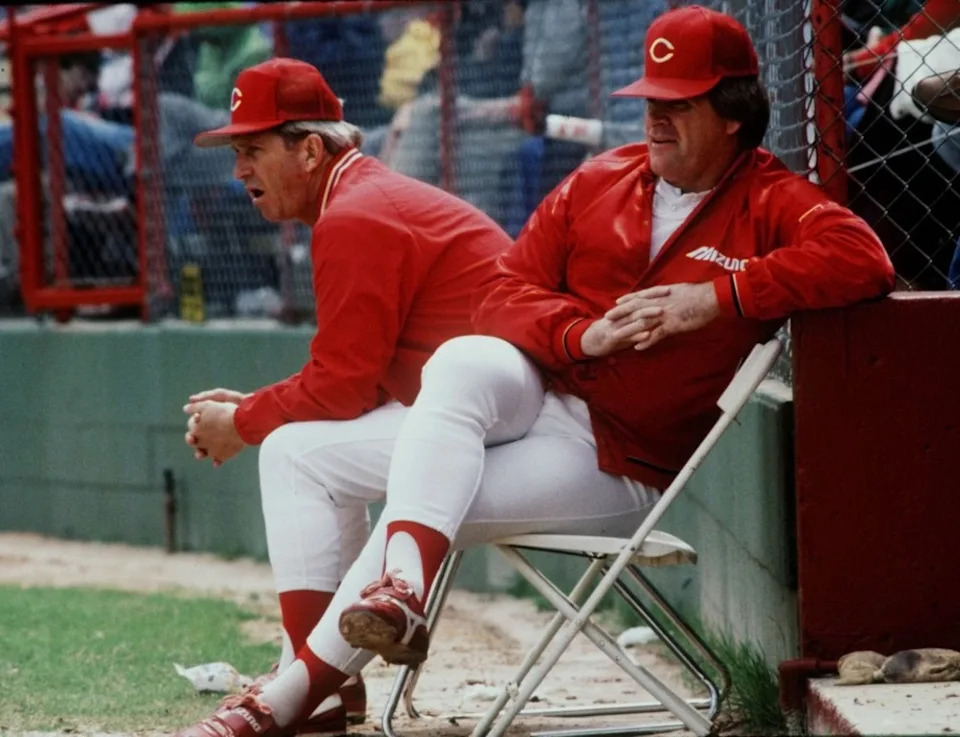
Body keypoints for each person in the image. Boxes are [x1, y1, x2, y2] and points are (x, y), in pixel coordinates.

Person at [174, 8, 896, 737]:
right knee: (370, 410)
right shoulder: (601, 181)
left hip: (614, 459)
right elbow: (499, 295)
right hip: (541, 391)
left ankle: (292, 693)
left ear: (734, 113)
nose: (654, 121)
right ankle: (398, 595)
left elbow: (862, 260)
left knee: (424, 495)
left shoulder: (771, 200)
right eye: (649, 103)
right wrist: (583, 333)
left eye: (677, 105)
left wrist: (717, 297)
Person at [177, 57, 511, 736]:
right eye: (235, 151)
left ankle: (314, 686)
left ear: (309, 149)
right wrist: (254, 411)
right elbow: (349, 382)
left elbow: (342, 385)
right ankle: (327, 678)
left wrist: (243, 419)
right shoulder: (360, 198)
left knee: (293, 454)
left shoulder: (355, 214)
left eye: (252, 150)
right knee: (303, 448)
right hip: (485, 417)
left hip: (510, 430)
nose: (239, 168)